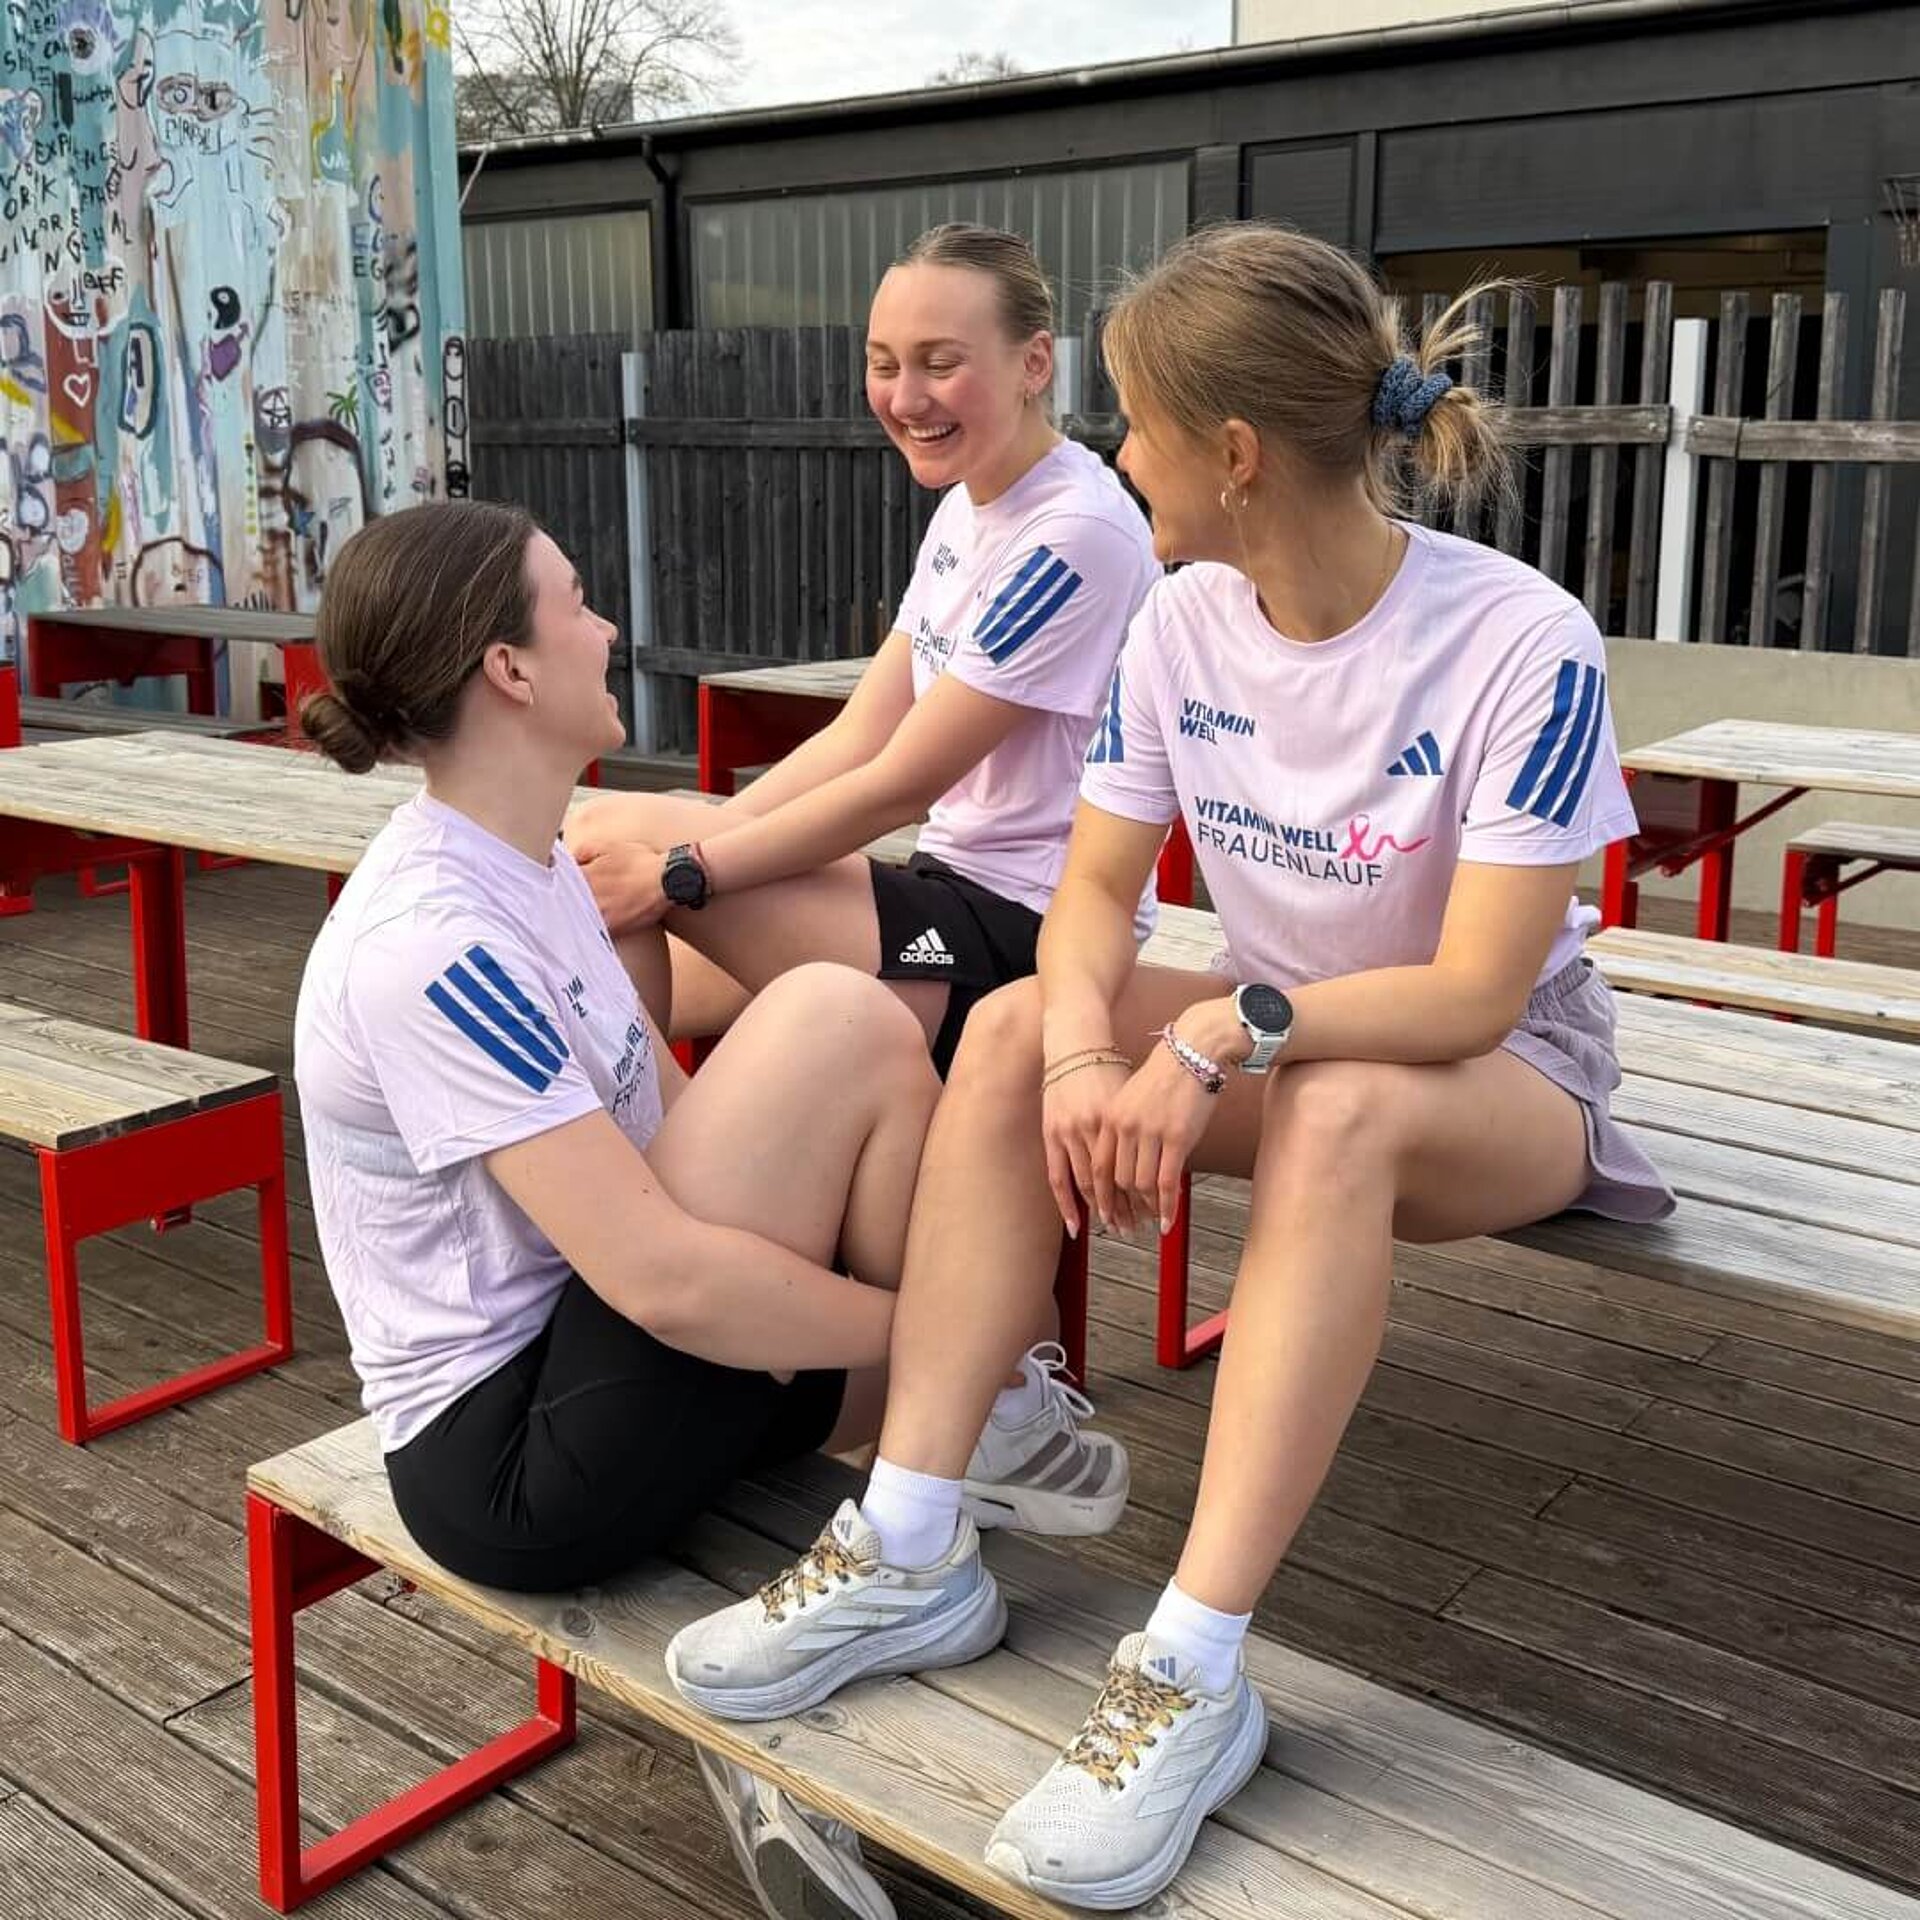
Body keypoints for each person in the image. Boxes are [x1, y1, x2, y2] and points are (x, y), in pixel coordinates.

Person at [662, 224, 1677, 1911]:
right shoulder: (1185, 621)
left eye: (1134, 423)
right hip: (1292, 1024)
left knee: (1340, 1103)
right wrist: (1076, 1054)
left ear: (1232, 452)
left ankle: (1192, 1667)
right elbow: (1091, 900)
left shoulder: (1523, 642)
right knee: (996, 1033)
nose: (1116, 456)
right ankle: (914, 1545)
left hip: (1497, 1083)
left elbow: (1479, 995)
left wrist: (1214, 1032)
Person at [290, 499, 1112, 1920]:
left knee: (842, 1021)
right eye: (576, 601)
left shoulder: (542, 858)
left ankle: (958, 1447)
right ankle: (973, 1411)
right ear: (510, 670)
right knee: (824, 1020)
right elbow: (665, 1277)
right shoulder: (433, 942)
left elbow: (662, 1140)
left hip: (600, 1359)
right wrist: (941, 1335)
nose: (608, 625)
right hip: (513, 1460)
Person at [562, 221, 1161, 1080]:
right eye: (884, 364)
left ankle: (651, 1163)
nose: (906, 396)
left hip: (1022, 939)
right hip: (939, 887)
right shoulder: (968, 507)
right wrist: (697, 851)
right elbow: (860, 735)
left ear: (1035, 364)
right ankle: (643, 1148)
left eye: (939, 362)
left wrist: (687, 867)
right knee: (604, 876)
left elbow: (900, 782)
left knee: (625, 840)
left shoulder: (1076, 533)